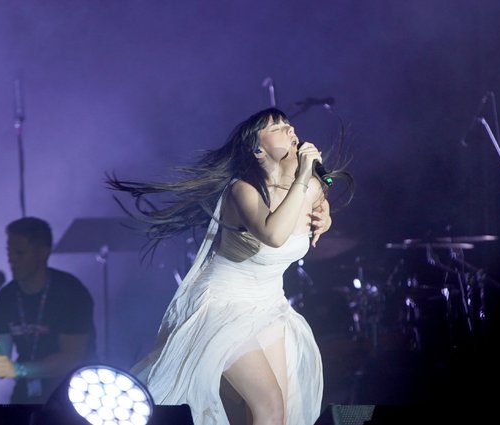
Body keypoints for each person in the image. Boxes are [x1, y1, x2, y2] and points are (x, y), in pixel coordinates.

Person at [108, 107, 352, 425]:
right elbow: (275, 234)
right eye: (277, 127)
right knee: (270, 405)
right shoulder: (243, 190)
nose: (289, 129)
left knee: (274, 412)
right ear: (257, 149)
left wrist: (326, 217)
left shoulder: (312, 189)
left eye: (289, 124)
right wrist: (304, 177)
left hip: (267, 306)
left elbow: (321, 198)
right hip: (221, 306)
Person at [0, 217, 96, 404]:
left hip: (75, 391)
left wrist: (19, 370)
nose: (11, 259)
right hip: (28, 392)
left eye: (20, 253)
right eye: (9, 252)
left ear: (43, 253)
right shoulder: (6, 298)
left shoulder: (71, 292)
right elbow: (0, 365)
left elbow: (72, 358)